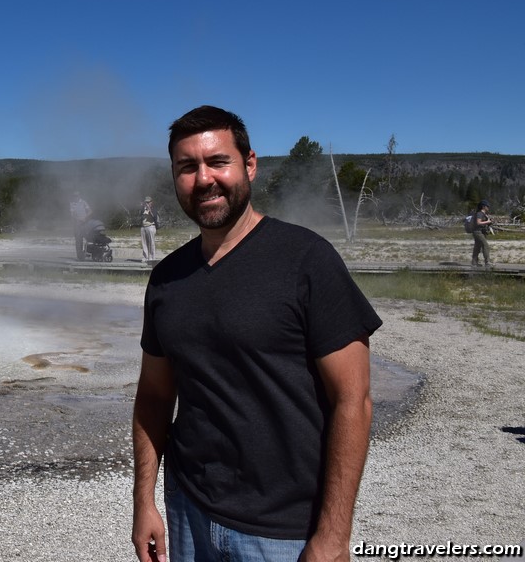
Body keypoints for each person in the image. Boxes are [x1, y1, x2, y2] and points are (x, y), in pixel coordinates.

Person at [131, 105, 383, 562]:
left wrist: (333, 536)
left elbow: (354, 400)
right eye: (187, 167)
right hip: (188, 512)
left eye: (217, 162)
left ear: (249, 164)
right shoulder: (167, 278)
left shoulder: (307, 260)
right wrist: (144, 501)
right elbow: (153, 395)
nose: (204, 179)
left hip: (284, 529)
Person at [70, 191, 92, 260]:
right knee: (78, 240)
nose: (75, 197)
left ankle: (86, 253)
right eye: (74, 196)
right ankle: (79, 256)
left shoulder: (83, 202)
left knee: (87, 238)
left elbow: (90, 211)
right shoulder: (72, 203)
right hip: (77, 225)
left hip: (85, 224)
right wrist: (78, 219)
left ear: (79, 196)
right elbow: (72, 214)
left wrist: (84, 218)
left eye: (76, 196)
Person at [471, 200, 493, 267]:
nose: (488, 207)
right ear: (483, 207)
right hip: (478, 232)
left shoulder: (483, 214)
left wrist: (488, 222)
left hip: (480, 232)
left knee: (477, 247)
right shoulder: (480, 213)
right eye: (487, 206)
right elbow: (478, 222)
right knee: (485, 245)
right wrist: (487, 222)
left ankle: (474, 262)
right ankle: (487, 262)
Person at [139, 196, 158, 263]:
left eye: (148, 202)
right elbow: (140, 215)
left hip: (151, 226)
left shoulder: (153, 208)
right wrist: (143, 208)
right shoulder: (143, 209)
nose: (147, 203)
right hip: (143, 227)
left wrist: (149, 209)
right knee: (144, 243)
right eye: (146, 202)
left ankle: (152, 257)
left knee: (151, 243)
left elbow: (154, 216)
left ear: (151, 202)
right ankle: (145, 257)